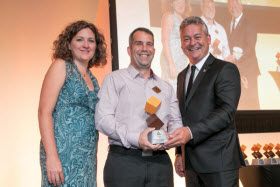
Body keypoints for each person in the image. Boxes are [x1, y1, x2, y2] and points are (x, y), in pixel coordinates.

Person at [95, 27, 185, 187]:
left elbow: (176, 121)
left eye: (149, 44)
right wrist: (136, 139)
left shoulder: (166, 87)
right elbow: (103, 120)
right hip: (124, 162)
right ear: (129, 50)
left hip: (160, 163)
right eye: (139, 43)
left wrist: (172, 138)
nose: (145, 48)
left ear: (154, 50)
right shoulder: (114, 80)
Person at [164, 16, 245, 187]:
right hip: (192, 164)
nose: (192, 43)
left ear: (208, 39)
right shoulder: (181, 76)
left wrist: (190, 132)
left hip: (220, 163)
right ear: (181, 44)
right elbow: (183, 116)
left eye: (197, 37)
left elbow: (226, 111)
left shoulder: (225, 69)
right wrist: (180, 153)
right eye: (186, 38)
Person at [38, 20, 107, 187]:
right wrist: (52, 157)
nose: (86, 45)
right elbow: (44, 112)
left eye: (91, 41)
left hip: (87, 157)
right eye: (79, 39)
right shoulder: (61, 66)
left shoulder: (93, 79)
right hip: (61, 154)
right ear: (68, 44)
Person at [227, 0, 260, 109]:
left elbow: (250, 48)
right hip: (236, 71)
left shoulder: (248, 23)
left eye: (235, 5)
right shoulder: (229, 23)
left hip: (248, 71)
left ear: (241, 6)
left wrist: (234, 57)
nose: (233, 8)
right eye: (230, 6)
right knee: (240, 104)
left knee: (251, 104)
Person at [160, 0, 191, 90]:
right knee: (167, 90)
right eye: (178, 3)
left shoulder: (182, 19)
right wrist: (171, 64)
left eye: (182, 2)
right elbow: (165, 40)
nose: (181, 5)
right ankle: (148, 104)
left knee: (177, 92)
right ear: (171, 3)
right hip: (172, 60)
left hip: (181, 62)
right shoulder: (169, 16)